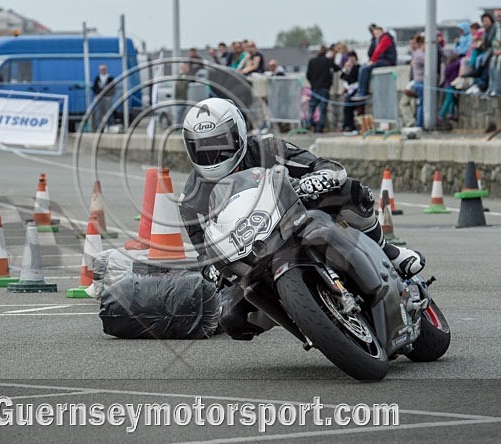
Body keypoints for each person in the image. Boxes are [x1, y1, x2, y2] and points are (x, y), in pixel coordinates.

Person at [178, 98, 425, 340]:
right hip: (250, 256)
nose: (213, 155)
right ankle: (307, 323)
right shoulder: (191, 198)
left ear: (238, 133)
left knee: (352, 192)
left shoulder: (267, 148)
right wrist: (209, 268)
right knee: (232, 319)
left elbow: (322, 165)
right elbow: (201, 247)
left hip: (295, 219)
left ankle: (389, 252)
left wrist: (320, 177)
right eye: (202, 148)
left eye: (219, 143)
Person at [351, 25, 397, 101]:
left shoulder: (386, 38)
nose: (376, 35)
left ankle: (363, 92)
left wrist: (372, 61)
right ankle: (361, 91)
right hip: (383, 59)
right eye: (375, 34)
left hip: (388, 61)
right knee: (363, 68)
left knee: (366, 68)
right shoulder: (379, 39)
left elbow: (378, 51)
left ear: (382, 31)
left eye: (377, 32)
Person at [305, 45, 340, 133]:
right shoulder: (328, 61)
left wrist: (312, 83)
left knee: (312, 107)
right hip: (324, 87)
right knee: (322, 109)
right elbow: (337, 69)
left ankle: (309, 123)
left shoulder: (312, 61)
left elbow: (308, 75)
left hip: (314, 87)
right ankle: (319, 128)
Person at [339, 51, 361, 133]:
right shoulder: (348, 67)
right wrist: (346, 68)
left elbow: (351, 79)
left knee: (348, 107)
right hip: (349, 90)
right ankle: (347, 125)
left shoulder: (357, 67)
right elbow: (342, 77)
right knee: (346, 108)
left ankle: (349, 125)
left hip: (355, 88)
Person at [91, 63, 115, 131]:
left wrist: (110, 95)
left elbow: (113, 87)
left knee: (109, 112)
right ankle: (99, 128)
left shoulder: (110, 78)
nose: (102, 71)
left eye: (104, 69)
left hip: (107, 98)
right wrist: (96, 95)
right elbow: (95, 88)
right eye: (101, 69)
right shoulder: (97, 78)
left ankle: (110, 127)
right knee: (98, 113)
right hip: (99, 97)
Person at [410, 34, 425, 127]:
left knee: (420, 103)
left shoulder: (416, 53)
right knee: (421, 104)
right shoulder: (420, 54)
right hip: (420, 81)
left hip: (417, 81)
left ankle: (419, 123)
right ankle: (419, 124)